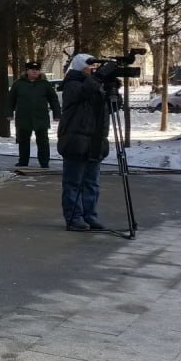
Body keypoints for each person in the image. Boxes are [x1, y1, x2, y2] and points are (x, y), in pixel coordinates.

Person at [57, 53, 110, 232]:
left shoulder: (95, 84)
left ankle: (90, 215)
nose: (93, 70)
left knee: (92, 183)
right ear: (81, 67)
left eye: (95, 68)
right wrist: (99, 77)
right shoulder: (72, 84)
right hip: (76, 140)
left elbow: (109, 108)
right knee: (73, 183)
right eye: (90, 67)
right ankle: (74, 217)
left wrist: (112, 90)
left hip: (95, 140)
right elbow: (83, 92)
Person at [8, 60, 61, 168]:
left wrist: (57, 114)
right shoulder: (19, 84)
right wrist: (9, 113)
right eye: (32, 70)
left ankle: (44, 162)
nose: (35, 72)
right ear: (27, 71)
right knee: (23, 140)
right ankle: (23, 161)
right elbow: (11, 100)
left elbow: (53, 99)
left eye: (37, 70)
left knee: (43, 141)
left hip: (41, 117)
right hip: (23, 117)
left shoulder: (44, 84)